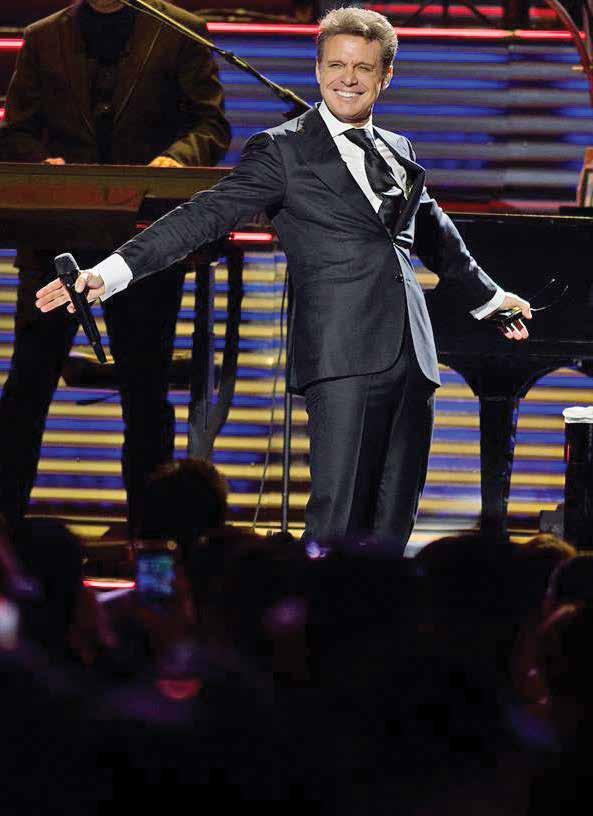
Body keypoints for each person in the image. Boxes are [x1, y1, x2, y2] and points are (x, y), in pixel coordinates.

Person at [37, 7, 530, 551]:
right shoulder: (284, 150)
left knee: (393, 529)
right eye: (337, 65)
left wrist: (492, 299)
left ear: (385, 76)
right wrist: (109, 273)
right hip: (342, 355)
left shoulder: (400, 150)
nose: (348, 78)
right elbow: (204, 215)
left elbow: (439, 238)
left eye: (363, 68)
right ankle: (316, 608)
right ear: (318, 70)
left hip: (413, 358)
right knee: (338, 526)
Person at [0, 0, 230, 535]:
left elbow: (210, 123)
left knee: (145, 393)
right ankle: (5, 536)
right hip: (57, 237)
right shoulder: (44, 36)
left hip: (142, 239)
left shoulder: (180, 30)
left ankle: (153, 542)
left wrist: (177, 159)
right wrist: (40, 163)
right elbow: (16, 130)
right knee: (28, 385)